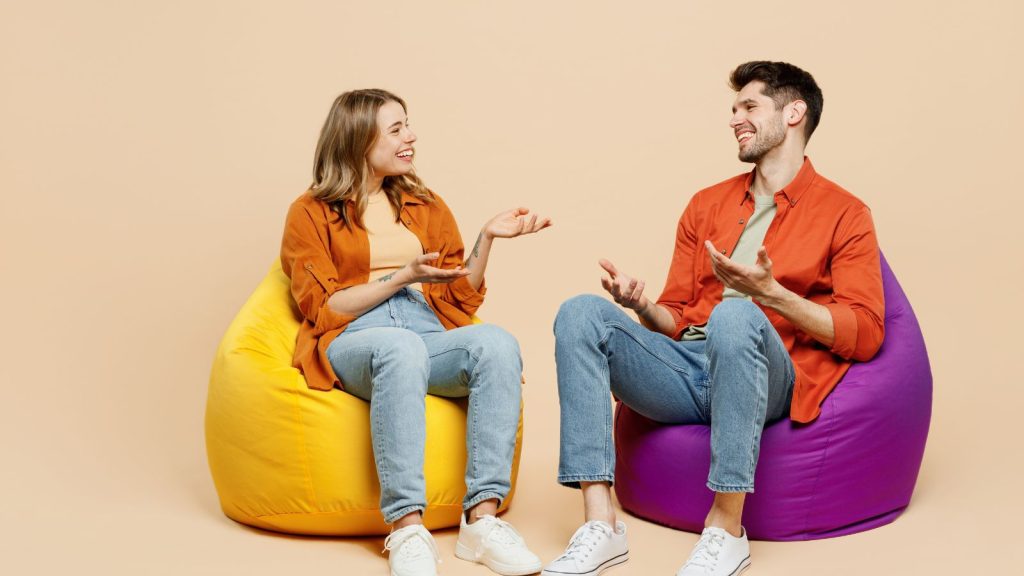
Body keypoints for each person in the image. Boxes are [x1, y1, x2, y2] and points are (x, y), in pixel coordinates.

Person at [542, 61, 885, 576]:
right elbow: (678, 317)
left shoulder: (845, 213)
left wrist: (773, 295)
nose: (734, 119)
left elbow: (866, 334)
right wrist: (641, 307)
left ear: (794, 113)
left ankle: (726, 529)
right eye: (733, 109)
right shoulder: (707, 204)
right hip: (689, 368)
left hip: (768, 373)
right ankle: (600, 523)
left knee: (735, 318)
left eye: (749, 107)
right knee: (580, 313)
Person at [281, 89, 550, 576]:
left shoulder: (423, 202)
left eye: (409, 125)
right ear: (359, 139)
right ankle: (406, 528)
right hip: (356, 337)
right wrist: (400, 277)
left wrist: (487, 238)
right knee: (399, 347)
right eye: (397, 129)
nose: (412, 137)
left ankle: (481, 523)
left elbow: (459, 294)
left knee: (496, 343)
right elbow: (325, 306)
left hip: (424, 329)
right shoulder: (310, 212)